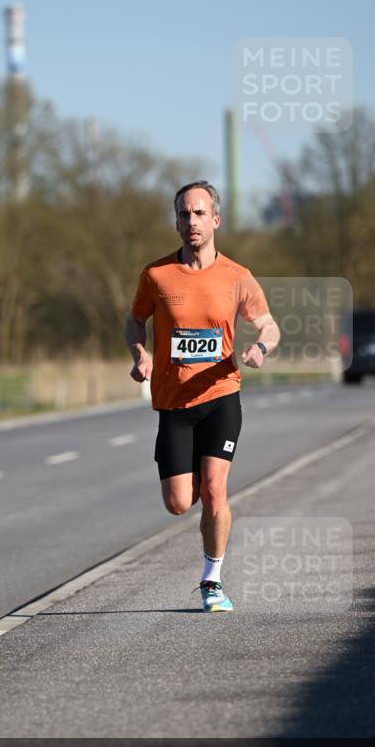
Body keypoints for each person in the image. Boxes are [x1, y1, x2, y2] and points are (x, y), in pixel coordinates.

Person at [124, 181, 280, 612]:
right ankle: (191, 482)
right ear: (176, 220)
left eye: (198, 213)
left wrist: (259, 347)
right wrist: (140, 354)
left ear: (215, 219)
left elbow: (269, 325)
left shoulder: (237, 276)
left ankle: (212, 579)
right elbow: (133, 322)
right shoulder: (156, 275)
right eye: (183, 214)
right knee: (178, 503)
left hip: (221, 394)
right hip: (174, 403)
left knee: (214, 491)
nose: (190, 222)